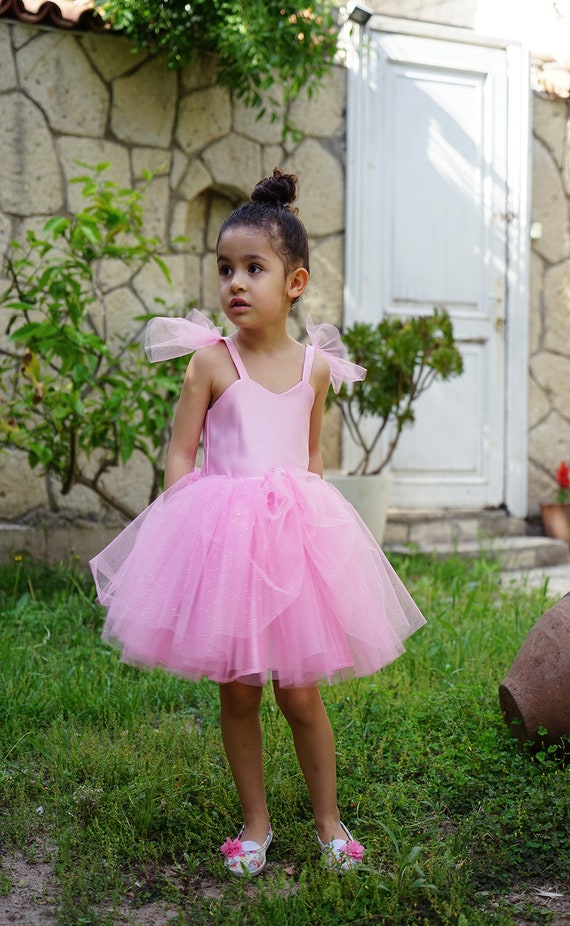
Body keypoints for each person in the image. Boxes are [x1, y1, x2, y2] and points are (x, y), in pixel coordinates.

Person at [90, 169, 426, 878]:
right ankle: (256, 825)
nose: (235, 283)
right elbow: (183, 453)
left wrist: (317, 537)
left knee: (300, 692)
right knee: (238, 691)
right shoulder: (211, 362)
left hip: (293, 540)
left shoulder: (316, 370)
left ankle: (330, 821)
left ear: (295, 283)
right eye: (224, 269)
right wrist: (186, 537)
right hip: (224, 540)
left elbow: (309, 456)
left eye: (253, 268)